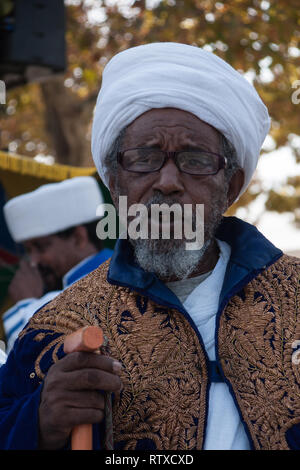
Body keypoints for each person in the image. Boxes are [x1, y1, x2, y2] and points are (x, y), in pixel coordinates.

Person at [0, 42, 299, 451]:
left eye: (194, 160)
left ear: (229, 187)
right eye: (144, 158)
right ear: (114, 181)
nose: (167, 182)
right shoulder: (55, 328)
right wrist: (39, 424)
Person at [1, 176, 113, 354]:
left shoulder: (104, 286)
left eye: (40, 247)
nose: (34, 260)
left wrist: (25, 304)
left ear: (78, 238)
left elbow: (31, 368)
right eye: (29, 250)